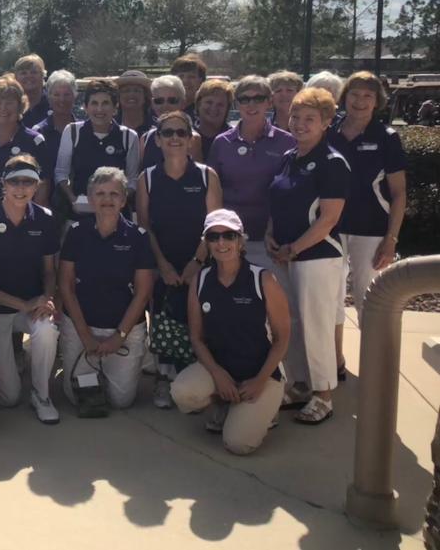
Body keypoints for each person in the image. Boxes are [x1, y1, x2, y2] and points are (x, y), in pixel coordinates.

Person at [171, 209, 290, 455]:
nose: (221, 242)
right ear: (206, 243)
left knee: (238, 444)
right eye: (213, 237)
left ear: (241, 240)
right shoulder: (200, 280)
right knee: (182, 393)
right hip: (220, 367)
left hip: (259, 373)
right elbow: (197, 338)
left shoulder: (263, 279)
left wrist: (259, 381)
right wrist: (218, 375)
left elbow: (282, 338)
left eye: (229, 235)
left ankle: (266, 409)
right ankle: (224, 402)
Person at [266, 87, 349, 424]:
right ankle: (300, 384)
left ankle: (323, 394)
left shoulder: (332, 163)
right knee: (291, 323)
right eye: (296, 117)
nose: (300, 124)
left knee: (316, 325)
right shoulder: (289, 157)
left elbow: (329, 218)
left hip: (317, 257)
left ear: (326, 122)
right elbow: (278, 202)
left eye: (309, 119)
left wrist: (294, 249)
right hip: (284, 255)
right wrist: (271, 235)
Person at [135, 110, 222, 408]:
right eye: (168, 133)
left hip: (199, 263)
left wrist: (196, 262)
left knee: (199, 322)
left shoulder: (207, 176)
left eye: (181, 133)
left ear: (190, 139)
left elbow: (214, 225)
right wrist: (162, 265)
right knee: (163, 319)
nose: (174, 138)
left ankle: (196, 379)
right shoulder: (147, 178)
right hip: (163, 265)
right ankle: (163, 377)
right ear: (158, 140)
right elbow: (145, 226)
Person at [58, 167, 155, 417]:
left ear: (123, 200)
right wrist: (85, 336)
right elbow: (67, 287)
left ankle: (134, 356)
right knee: (75, 396)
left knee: (120, 401)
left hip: (123, 330)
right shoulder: (76, 233)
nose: (107, 199)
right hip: (82, 327)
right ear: (90, 199)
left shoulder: (138, 237)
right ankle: (94, 361)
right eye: (100, 193)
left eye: (114, 194)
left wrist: (119, 337)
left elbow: (143, 293)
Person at [328, 72, 406, 377]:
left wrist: (391, 239)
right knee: (332, 297)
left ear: (377, 102)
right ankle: (334, 362)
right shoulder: (329, 131)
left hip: (372, 230)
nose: (360, 101)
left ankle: (377, 371)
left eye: (367, 96)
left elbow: (398, 194)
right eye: (354, 94)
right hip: (331, 228)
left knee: (369, 299)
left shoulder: (386, 137)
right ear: (344, 97)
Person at [0, 155, 60, 424]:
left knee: (47, 330)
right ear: (3, 183)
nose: (21, 188)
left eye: (28, 182)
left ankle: (41, 394)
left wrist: (46, 298)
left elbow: (49, 271)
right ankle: (15, 365)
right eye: (14, 182)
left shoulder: (46, 219)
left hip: (32, 306)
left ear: (37, 186)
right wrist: (24, 305)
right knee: (9, 398)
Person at [207, 76, 295, 270]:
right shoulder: (221, 143)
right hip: (229, 239)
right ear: (236, 104)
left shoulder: (288, 142)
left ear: (269, 102)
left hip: (272, 241)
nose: (251, 104)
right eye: (245, 99)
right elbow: (212, 192)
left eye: (258, 98)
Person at [55, 79, 140, 218]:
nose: (99, 109)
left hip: (116, 214)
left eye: (105, 103)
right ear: (86, 107)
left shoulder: (129, 136)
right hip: (80, 212)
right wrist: (72, 199)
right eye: (94, 103)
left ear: (115, 108)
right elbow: (61, 172)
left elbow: (132, 179)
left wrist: (117, 201)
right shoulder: (72, 131)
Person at [0, 75, 49, 210]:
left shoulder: (34, 141)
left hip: (22, 216)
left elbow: (42, 185)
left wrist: (35, 218)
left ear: (20, 106)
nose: (3, 108)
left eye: (9, 103)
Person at [140, 75, 202, 168]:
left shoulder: (193, 139)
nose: (165, 106)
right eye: (159, 101)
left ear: (183, 103)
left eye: (172, 100)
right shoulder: (145, 139)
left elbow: (198, 174)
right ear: (152, 104)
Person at [32, 69, 77, 179]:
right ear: (49, 97)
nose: (62, 99)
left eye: (67, 94)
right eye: (56, 95)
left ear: (74, 96)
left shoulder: (83, 129)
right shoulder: (38, 132)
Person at [194, 78, 233, 161]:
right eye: (209, 102)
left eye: (220, 104)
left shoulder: (233, 138)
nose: (214, 108)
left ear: (227, 109)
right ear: (198, 104)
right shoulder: (187, 136)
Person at [116, 70, 155, 138]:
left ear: (145, 96)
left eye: (137, 90)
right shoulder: (109, 126)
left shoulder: (156, 127)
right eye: (126, 91)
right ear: (118, 96)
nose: (131, 94)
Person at [14, 54, 49, 128]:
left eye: (34, 72)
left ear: (43, 75)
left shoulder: (53, 102)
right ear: (16, 77)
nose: (29, 76)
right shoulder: (11, 104)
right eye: (23, 73)